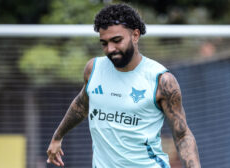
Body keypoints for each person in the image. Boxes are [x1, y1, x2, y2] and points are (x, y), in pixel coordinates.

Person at [46, 3, 201, 168]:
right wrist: (57, 136)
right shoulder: (94, 70)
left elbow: (182, 135)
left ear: (135, 35)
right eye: (104, 43)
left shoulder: (162, 80)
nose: (110, 49)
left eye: (116, 40)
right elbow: (81, 104)